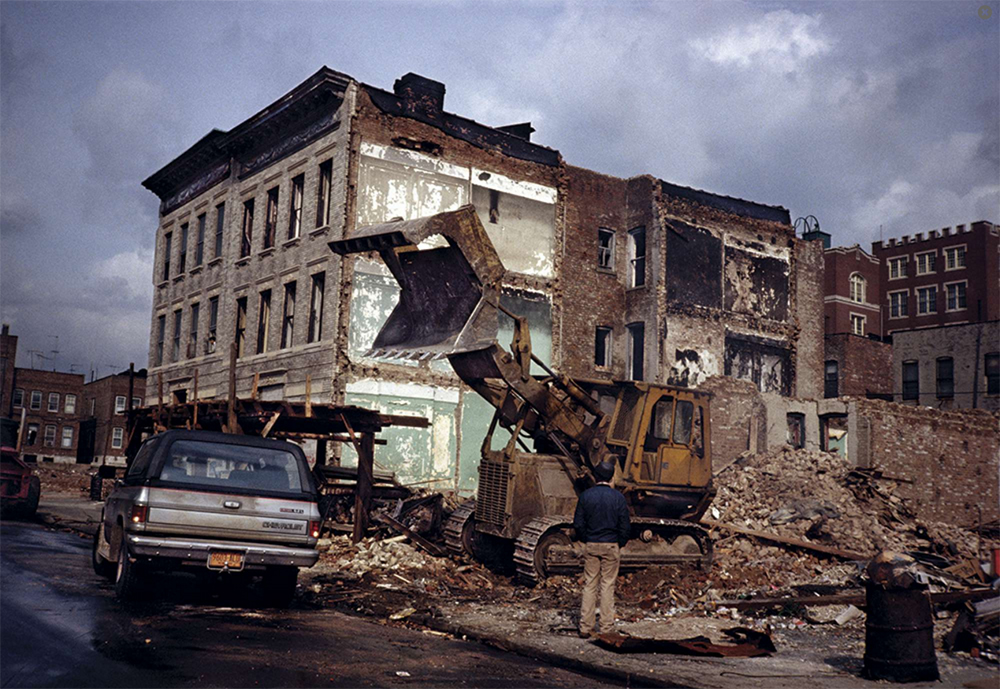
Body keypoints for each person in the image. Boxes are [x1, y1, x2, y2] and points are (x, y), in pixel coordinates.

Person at [573, 459, 630, 638]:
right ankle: (606, 628)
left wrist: (587, 539)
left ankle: (585, 627)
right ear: (611, 477)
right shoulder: (618, 498)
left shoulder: (586, 496)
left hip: (591, 544)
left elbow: (578, 524)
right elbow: (625, 526)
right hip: (611, 545)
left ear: (596, 476)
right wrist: (619, 542)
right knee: (607, 586)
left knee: (590, 585)